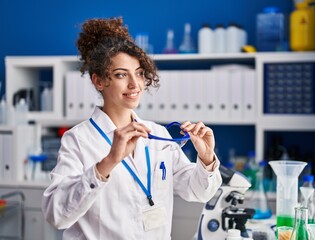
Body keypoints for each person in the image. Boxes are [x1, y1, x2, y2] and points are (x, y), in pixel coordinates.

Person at [42, 17, 222, 240]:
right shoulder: (78, 140)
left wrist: (205, 159)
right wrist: (107, 163)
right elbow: (56, 215)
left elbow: (199, 191)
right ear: (98, 81)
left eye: (138, 73)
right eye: (121, 74)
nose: (134, 84)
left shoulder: (158, 135)